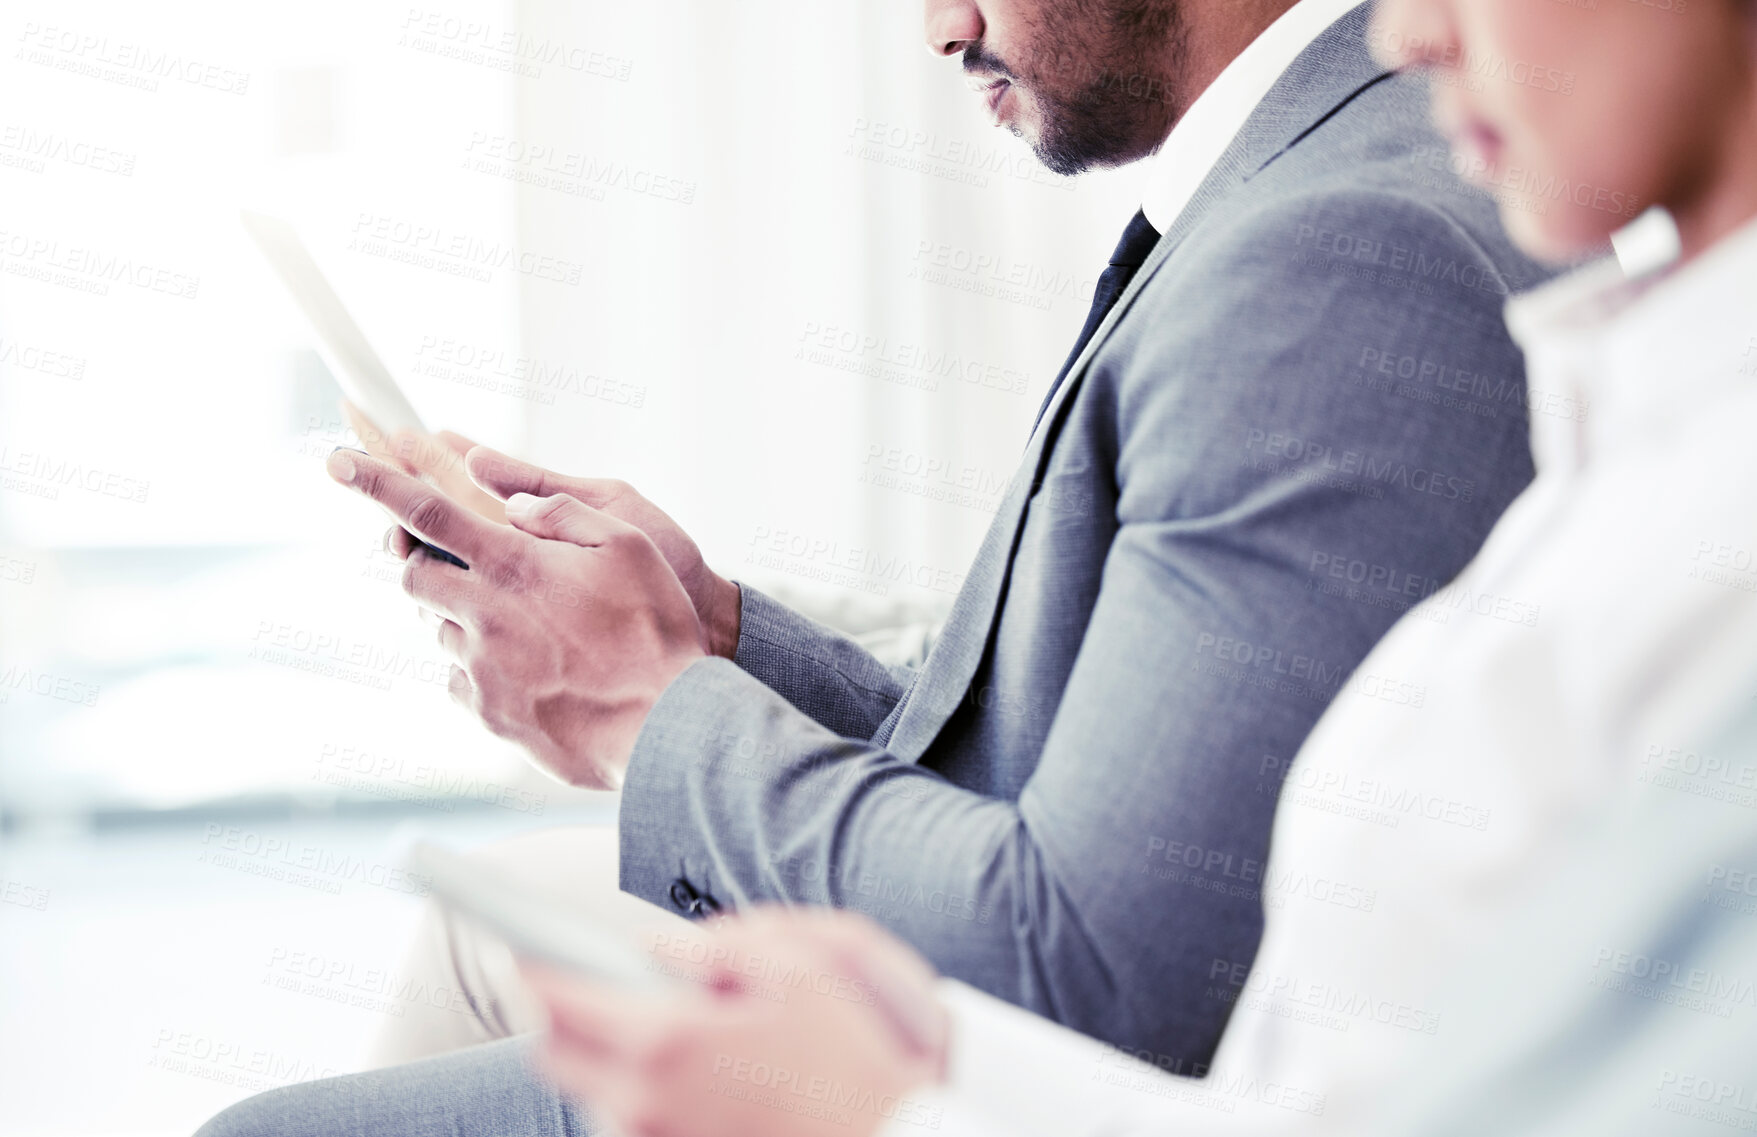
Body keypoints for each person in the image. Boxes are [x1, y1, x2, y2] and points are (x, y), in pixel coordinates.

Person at [484, 0, 1756, 1133]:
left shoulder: (1343, 242)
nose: (1406, 30)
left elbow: (1109, 971)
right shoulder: (1628, 415)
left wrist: (881, 1104)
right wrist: (718, 646)